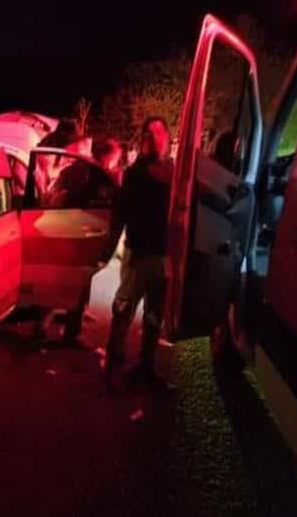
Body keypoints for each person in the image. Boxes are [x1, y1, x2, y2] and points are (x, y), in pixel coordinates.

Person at [103, 117, 175, 393]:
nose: (155, 138)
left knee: (154, 315)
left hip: (163, 256)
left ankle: (146, 367)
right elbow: (119, 214)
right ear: (144, 139)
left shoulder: (173, 172)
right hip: (138, 255)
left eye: (159, 133)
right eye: (150, 133)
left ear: (166, 138)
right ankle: (113, 370)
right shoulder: (134, 174)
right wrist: (108, 249)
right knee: (123, 311)